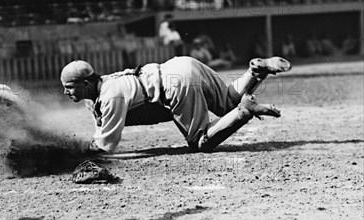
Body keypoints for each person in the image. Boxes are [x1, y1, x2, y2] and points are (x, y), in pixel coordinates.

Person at [60, 55, 292, 153]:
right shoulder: (103, 87)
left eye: (69, 86)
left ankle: (245, 111)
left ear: (85, 83)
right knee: (227, 103)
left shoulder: (111, 96)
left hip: (175, 84)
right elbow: (101, 126)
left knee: (201, 142)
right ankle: (255, 71)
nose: (65, 91)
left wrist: (74, 153)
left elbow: (105, 147)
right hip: (181, 65)